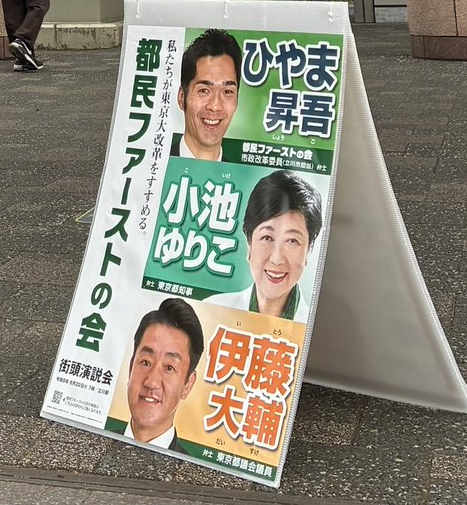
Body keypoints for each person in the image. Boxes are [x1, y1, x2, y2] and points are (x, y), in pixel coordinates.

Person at [210, 171, 323, 322]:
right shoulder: (211, 310)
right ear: (249, 242)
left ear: (309, 249)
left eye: (292, 241)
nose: (277, 259)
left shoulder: (315, 328)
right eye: (267, 237)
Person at [123, 297, 204, 451]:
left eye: (169, 368)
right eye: (146, 362)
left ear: (187, 385)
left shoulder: (188, 468)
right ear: (130, 367)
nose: (151, 382)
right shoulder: (92, 436)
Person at [171, 28, 242, 160]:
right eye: (204, 91)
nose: (215, 106)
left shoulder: (244, 178)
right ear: (181, 97)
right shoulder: (153, 165)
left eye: (227, 91)